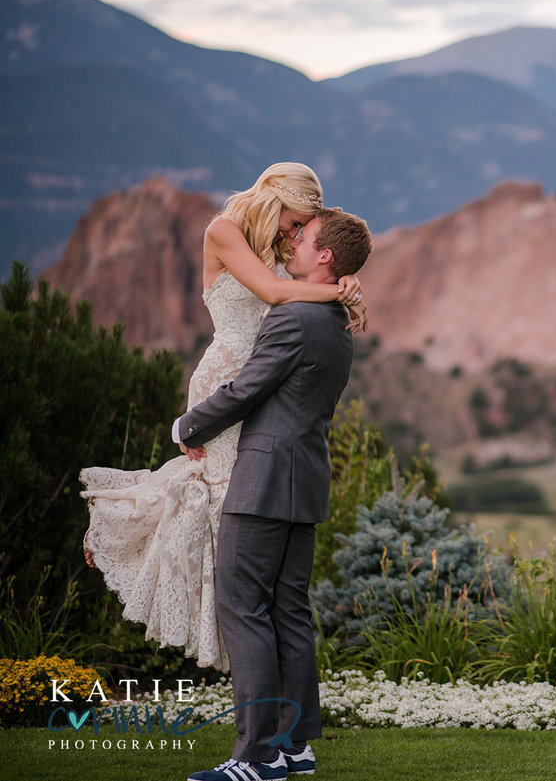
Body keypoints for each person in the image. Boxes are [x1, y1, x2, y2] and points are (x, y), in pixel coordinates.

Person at [80, 162, 366, 672]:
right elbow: (277, 294)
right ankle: (128, 526)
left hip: (260, 383)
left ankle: (260, 706)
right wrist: (339, 293)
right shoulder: (224, 231)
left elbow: (309, 273)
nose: (294, 233)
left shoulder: (282, 249)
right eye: (295, 221)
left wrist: (344, 285)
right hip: (228, 381)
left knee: (234, 511)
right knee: (219, 500)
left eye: (302, 229)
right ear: (277, 199)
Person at [182, 208, 372, 781]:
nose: (292, 245)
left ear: (325, 257)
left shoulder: (294, 318)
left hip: (263, 480)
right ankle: (295, 747)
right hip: (306, 478)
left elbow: (247, 388)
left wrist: (188, 427)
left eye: (303, 238)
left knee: (243, 608)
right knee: (289, 611)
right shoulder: (337, 323)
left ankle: (256, 756)